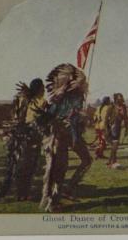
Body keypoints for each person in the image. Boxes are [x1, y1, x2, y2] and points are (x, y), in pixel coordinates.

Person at [39, 63, 91, 212]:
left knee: (86, 160)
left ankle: (68, 189)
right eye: (83, 82)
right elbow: (52, 115)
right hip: (60, 135)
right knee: (60, 169)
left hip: (71, 134)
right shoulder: (62, 97)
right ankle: (53, 202)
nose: (85, 85)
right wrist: (75, 116)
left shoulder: (75, 96)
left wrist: (79, 117)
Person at [0, 78, 46, 201]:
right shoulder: (40, 101)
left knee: (15, 168)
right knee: (27, 168)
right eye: (43, 87)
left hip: (19, 137)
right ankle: (19, 194)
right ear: (39, 89)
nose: (44, 90)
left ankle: (16, 194)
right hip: (29, 138)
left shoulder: (25, 99)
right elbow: (39, 120)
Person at [107, 93, 128, 169]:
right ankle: (112, 162)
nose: (120, 100)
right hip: (113, 126)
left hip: (119, 126)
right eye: (119, 98)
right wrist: (106, 129)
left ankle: (111, 161)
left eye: (121, 98)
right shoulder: (112, 107)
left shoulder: (124, 107)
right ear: (116, 99)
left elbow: (126, 118)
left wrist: (126, 129)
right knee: (115, 144)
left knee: (115, 145)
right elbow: (106, 119)